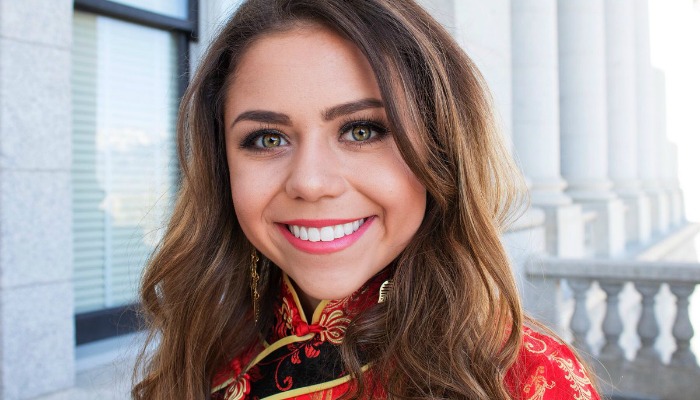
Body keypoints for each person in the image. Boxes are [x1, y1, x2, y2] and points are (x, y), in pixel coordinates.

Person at [132, 1, 601, 399]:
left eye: (362, 130)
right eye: (268, 139)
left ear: (440, 151)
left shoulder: (529, 380)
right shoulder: (200, 354)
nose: (311, 183)